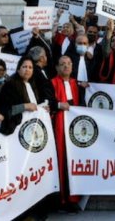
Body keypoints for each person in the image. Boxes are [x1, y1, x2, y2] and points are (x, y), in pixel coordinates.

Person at [50, 56, 83, 210]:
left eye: (69, 64)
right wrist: (57, 104)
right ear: (57, 67)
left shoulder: (76, 83)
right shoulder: (52, 83)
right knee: (62, 159)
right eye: (62, 64)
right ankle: (63, 199)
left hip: (75, 127)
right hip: (59, 126)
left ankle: (74, 197)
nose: (66, 67)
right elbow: (47, 102)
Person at [0, 57, 41, 134]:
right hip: (16, 131)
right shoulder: (10, 85)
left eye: (30, 67)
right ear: (18, 69)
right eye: (24, 67)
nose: (27, 69)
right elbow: (6, 110)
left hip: (32, 129)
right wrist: (25, 106)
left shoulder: (33, 85)